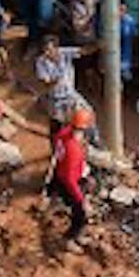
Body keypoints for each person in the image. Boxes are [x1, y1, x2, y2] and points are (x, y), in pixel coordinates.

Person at [47, 107, 92, 249]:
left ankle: (76, 235)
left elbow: (56, 143)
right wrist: (81, 199)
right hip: (69, 183)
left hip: (60, 174)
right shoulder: (73, 150)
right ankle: (69, 239)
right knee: (81, 215)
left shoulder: (63, 134)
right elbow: (70, 180)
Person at [35, 35, 93, 136]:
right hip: (56, 99)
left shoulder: (64, 53)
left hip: (71, 95)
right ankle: (57, 148)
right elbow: (45, 84)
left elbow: (83, 51)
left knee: (88, 114)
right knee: (58, 126)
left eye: (49, 49)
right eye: (45, 50)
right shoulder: (41, 62)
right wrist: (55, 80)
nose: (47, 52)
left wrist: (100, 44)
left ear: (56, 48)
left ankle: (95, 140)